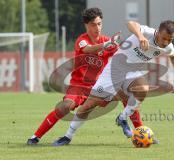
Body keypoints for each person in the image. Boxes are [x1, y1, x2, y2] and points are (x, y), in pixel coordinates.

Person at [53, 20, 174, 145]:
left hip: (132, 73)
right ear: (158, 32)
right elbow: (131, 23)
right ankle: (67, 136)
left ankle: (122, 118)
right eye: (164, 38)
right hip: (114, 69)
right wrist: (140, 37)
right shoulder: (147, 33)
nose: (166, 42)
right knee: (89, 105)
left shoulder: (168, 47)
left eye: (170, 39)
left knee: (143, 88)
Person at [26, 7, 144, 145]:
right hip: (78, 86)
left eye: (99, 24)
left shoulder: (108, 41)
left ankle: (140, 132)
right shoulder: (82, 40)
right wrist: (107, 44)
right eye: (93, 24)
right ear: (86, 25)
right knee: (64, 107)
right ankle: (36, 136)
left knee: (127, 94)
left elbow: (122, 56)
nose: (97, 27)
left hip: (99, 86)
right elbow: (88, 49)